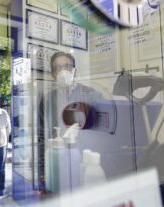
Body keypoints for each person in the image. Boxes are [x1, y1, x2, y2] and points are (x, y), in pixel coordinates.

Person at [38, 52, 103, 190]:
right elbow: (41, 135)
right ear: (53, 74)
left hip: (85, 164)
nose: (63, 71)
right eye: (58, 68)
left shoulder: (92, 95)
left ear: (75, 71)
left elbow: (102, 135)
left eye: (67, 67)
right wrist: (43, 170)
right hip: (56, 163)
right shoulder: (47, 99)